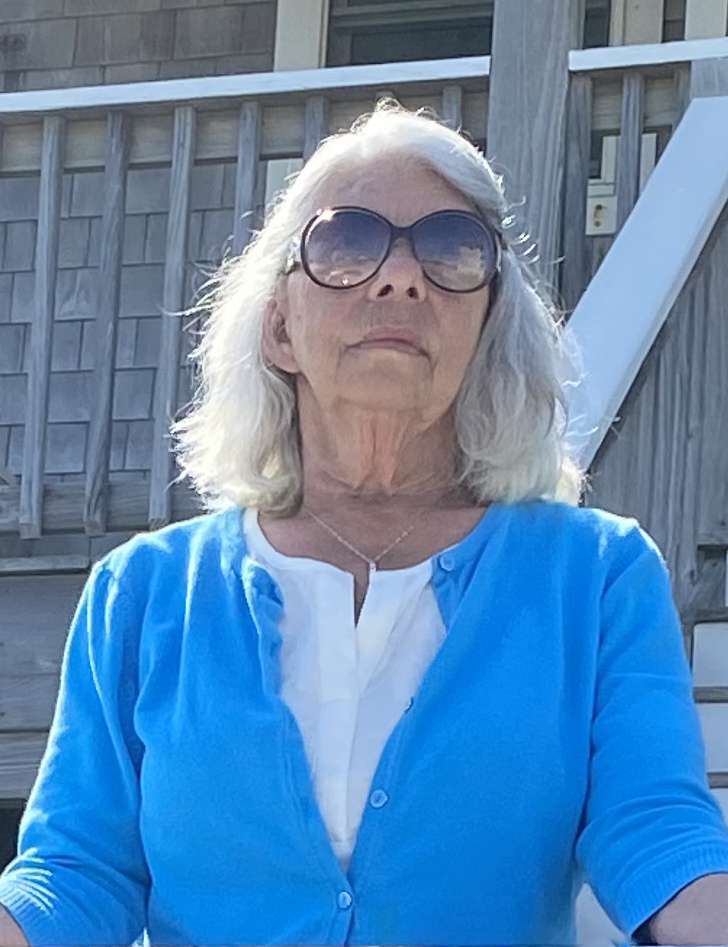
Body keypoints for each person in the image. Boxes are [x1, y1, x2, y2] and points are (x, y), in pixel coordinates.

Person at [1, 102, 728, 947]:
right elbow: (77, 870)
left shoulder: (596, 578)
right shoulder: (145, 592)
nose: (401, 278)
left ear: (487, 327)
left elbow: (659, 834)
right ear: (279, 327)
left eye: (451, 249)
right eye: (347, 241)